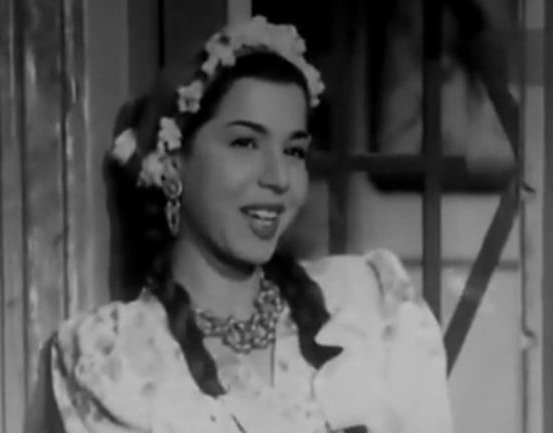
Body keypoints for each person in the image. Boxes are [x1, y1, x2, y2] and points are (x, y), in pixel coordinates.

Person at [27, 16, 453, 433]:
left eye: (294, 151)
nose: (279, 178)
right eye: (245, 143)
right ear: (172, 162)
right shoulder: (110, 359)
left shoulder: (369, 305)